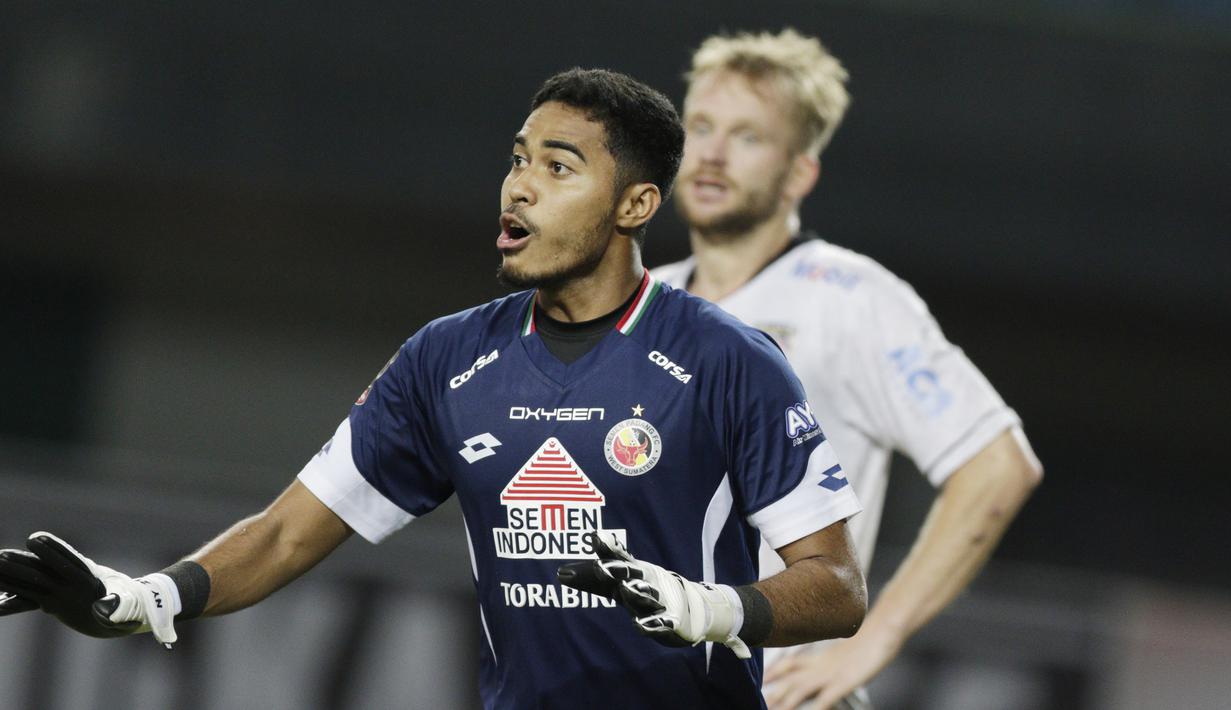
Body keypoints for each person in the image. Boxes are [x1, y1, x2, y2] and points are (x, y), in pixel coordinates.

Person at [0, 68, 869, 709]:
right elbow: (284, 534)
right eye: (517, 160)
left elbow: (835, 586)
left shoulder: (725, 359)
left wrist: (709, 608)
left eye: (559, 168)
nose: (519, 186)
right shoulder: (445, 360)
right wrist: (145, 599)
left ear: (634, 206)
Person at [655, 30, 1044, 710]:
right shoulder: (640, 301)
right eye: (702, 127)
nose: (712, 153)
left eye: (748, 137)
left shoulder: (851, 299)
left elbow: (997, 465)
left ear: (799, 173)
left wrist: (873, 641)